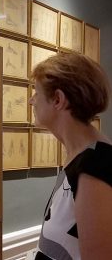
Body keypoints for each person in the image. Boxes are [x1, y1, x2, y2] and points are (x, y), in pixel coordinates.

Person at [29, 52, 112, 260]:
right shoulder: (79, 158)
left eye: (36, 92)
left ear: (58, 99)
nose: (31, 100)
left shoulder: (95, 165)